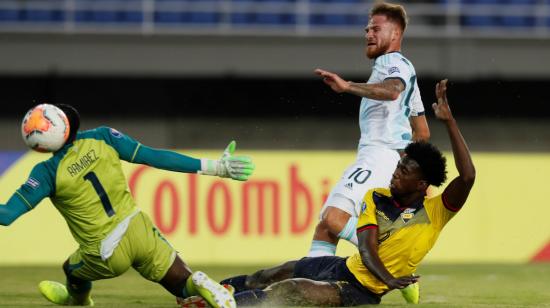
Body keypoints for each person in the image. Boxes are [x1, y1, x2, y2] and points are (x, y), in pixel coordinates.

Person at [219, 79, 475, 306]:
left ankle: (223, 305)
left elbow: (467, 176)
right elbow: (366, 249)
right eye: (397, 166)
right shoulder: (376, 196)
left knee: (290, 289)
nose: (395, 173)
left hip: (360, 290)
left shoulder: (436, 212)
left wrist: (450, 122)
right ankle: (212, 291)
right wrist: (392, 279)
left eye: (404, 170)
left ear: (421, 184)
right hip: (341, 267)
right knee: (269, 275)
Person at [0, 104, 255, 308]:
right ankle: (198, 280)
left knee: (72, 270)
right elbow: (154, 157)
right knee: (183, 286)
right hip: (138, 228)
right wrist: (217, 168)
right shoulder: (103, 137)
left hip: (106, 251)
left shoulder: (45, 172)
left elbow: (7, 215)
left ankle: (78, 300)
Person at [310, 2, 429, 258]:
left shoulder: (392, 62)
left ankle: (386, 258)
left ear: (395, 34)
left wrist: (347, 86)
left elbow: (392, 90)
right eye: (367, 29)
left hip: (379, 155)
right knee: (325, 229)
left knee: (333, 217)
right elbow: (422, 132)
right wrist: (408, 169)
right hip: (387, 158)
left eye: (376, 28)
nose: (368, 34)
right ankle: (314, 280)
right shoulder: (409, 71)